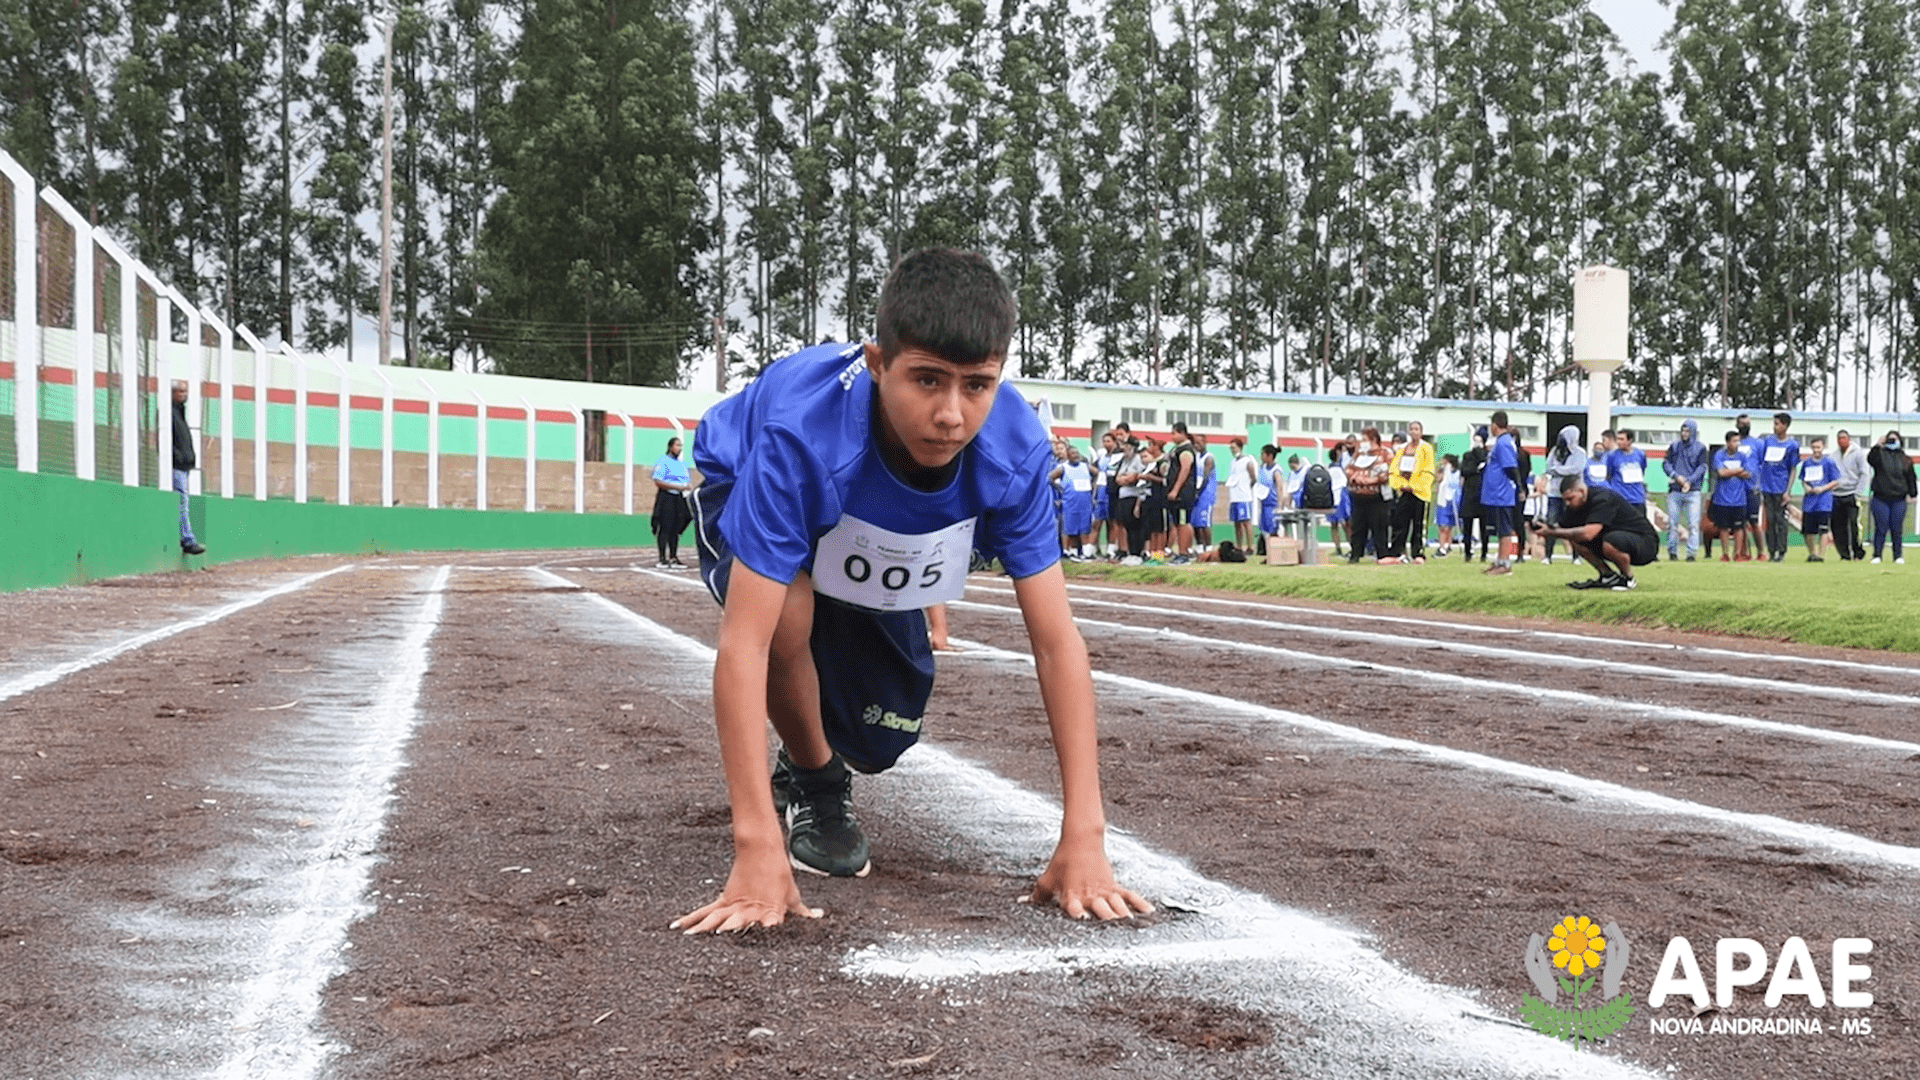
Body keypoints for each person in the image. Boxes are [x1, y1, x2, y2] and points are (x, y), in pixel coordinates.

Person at [673, 248, 1148, 933]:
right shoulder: (799, 437)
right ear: (875, 363)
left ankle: (833, 753)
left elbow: (1055, 640)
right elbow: (741, 644)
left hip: (869, 531)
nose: (951, 414)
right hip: (747, 477)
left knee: (875, 738)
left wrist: (1086, 836)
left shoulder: (1013, 450)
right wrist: (756, 850)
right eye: (927, 381)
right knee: (785, 621)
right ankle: (815, 781)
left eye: (977, 385)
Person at [1534, 475, 1660, 590]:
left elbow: (1588, 534)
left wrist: (1552, 532)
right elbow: (1561, 527)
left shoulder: (1602, 499)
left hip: (1645, 544)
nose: (1567, 503)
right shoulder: (1574, 506)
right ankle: (1608, 576)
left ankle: (1627, 579)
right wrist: (1544, 527)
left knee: (1610, 540)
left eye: (1570, 498)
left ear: (1582, 492)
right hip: (1617, 539)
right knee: (1576, 539)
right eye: (1565, 500)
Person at [1752, 412, 1801, 562]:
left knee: (1781, 521)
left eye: (1777, 424)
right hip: (1767, 488)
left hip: (1780, 488)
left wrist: (1788, 491)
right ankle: (1771, 551)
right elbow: (1761, 463)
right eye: (1774, 423)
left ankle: (1781, 551)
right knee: (1770, 520)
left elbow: (1792, 468)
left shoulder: (1792, 445)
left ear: (1785, 426)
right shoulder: (1767, 441)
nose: (1774, 427)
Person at [1865, 430, 1917, 564]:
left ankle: (1898, 556)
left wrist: (1913, 494)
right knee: (1881, 527)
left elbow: (1911, 477)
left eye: (1895, 439)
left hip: (1899, 498)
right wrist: (1877, 445)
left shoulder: (1905, 459)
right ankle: (1877, 555)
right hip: (1880, 497)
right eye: (1890, 439)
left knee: (1896, 527)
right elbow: (1870, 460)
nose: (1892, 442)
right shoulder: (1879, 455)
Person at [1386, 421, 1434, 564]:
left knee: (1418, 525)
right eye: (1411, 429)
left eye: (1416, 429)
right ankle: (1397, 552)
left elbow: (1428, 470)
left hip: (1419, 492)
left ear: (1421, 431)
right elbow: (1394, 469)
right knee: (1400, 523)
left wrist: (1415, 486)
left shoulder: (1426, 448)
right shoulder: (1402, 449)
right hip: (1404, 491)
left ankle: (1417, 552)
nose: (1414, 432)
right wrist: (1400, 485)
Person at [1344, 427, 1392, 565]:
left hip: (1377, 498)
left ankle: (1382, 555)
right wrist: (1354, 478)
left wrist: (1372, 480)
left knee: (1379, 528)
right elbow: (1348, 468)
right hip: (1358, 497)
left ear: (1374, 440)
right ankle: (1355, 555)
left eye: (1365, 439)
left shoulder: (1385, 454)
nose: (1362, 442)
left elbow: (1388, 472)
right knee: (1357, 528)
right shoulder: (1358, 455)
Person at [1481, 412, 1520, 574]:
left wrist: (1519, 487)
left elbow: (1511, 467)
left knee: (1505, 529)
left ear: (1495, 425)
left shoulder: (1504, 443)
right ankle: (1499, 560)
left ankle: (1505, 563)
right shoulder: (1500, 442)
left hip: (1501, 493)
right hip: (1495, 494)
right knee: (1499, 529)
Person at [170, 381, 207, 557]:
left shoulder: (179, 413)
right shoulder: (169, 413)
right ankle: (188, 540)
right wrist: (178, 457)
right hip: (176, 465)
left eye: (185, 391)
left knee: (183, 502)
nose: (184, 394)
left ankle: (187, 538)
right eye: (181, 391)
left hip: (183, 465)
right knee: (182, 502)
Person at [1542, 426, 1588, 564]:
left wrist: (1558, 470)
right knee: (1551, 524)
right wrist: (1558, 470)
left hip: (1572, 492)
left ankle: (1576, 557)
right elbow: (1548, 468)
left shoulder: (1579, 453)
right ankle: (1547, 556)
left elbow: (1576, 469)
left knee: (1574, 524)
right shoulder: (1554, 452)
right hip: (1555, 493)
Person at [1662, 420, 1707, 562]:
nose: (1684, 434)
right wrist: (1675, 476)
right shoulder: (1674, 446)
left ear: (1693, 432)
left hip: (1693, 491)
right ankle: (1672, 551)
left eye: (1687, 431)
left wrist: (1689, 481)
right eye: (1683, 430)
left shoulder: (1701, 448)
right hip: (1675, 490)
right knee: (1672, 523)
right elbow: (1666, 463)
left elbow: (1702, 467)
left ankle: (1691, 553)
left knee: (1693, 524)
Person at [650, 436, 695, 568]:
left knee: (676, 527)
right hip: (666, 497)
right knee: (665, 527)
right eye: (677, 445)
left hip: (679, 497)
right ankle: (662, 557)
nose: (679, 448)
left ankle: (674, 556)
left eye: (681, 446)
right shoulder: (663, 461)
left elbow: (685, 481)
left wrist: (686, 487)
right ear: (671, 447)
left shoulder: (681, 464)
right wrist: (677, 487)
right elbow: (658, 482)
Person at [1710, 430, 1754, 562]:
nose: (1737, 444)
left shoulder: (1742, 456)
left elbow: (1747, 473)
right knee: (1723, 528)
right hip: (1722, 499)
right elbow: (1721, 473)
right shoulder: (1719, 455)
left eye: (1738, 441)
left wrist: (1729, 471)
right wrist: (1737, 471)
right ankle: (1725, 554)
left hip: (1739, 499)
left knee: (1739, 528)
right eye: (1734, 441)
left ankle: (1738, 553)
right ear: (1728, 442)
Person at [1798, 437, 1840, 562]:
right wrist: (1807, 488)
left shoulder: (1829, 462)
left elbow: (1835, 481)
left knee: (1823, 529)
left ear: (1823, 447)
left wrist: (1822, 488)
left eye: (1818, 447)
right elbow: (1803, 480)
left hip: (1824, 502)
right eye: (1814, 447)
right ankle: (1812, 553)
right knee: (1807, 531)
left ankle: (1821, 555)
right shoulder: (1807, 463)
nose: (1816, 450)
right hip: (1809, 502)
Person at [1050, 443, 1096, 560]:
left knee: (1084, 527)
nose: (1075, 455)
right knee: (1070, 527)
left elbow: (1098, 474)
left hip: (1085, 501)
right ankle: (1069, 551)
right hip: (1069, 501)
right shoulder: (1063, 468)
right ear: (1068, 456)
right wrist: (1059, 488)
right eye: (1073, 454)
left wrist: (1093, 485)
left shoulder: (1085, 466)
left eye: (1077, 453)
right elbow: (1050, 478)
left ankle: (1086, 553)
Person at [1161, 424, 1199, 563]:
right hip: (1173, 492)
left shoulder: (1186, 450)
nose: (1172, 437)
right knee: (1177, 522)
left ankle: (1184, 553)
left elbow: (1185, 470)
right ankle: (1181, 552)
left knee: (1183, 522)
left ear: (1182, 433)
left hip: (1183, 493)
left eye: (1174, 434)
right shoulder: (1176, 449)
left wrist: (1176, 489)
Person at [1832, 429, 1869, 561]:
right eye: (1839, 438)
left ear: (1849, 439)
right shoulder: (1834, 455)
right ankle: (1844, 554)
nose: (1841, 441)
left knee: (1853, 524)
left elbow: (1864, 473)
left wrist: (1857, 492)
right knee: (1837, 526)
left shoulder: (1858, 453)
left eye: (1844, 438)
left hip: (1851, 493)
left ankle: (1857, 552)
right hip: (1836, 494)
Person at [1734, 414, 1764, 560]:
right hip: (1736, 489)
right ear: (1737, 425)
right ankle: (1744, 552)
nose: (1744, 426)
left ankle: (1761, 552)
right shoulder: (1734, 442)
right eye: (1742, 423)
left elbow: (1762, 463)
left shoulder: (1757, 443)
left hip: (1752, 488)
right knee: (1740, 523)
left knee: (1754, 522)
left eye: (1747, 423)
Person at [1459, 428, 1488, 561]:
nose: (1476, 443)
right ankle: (1467, 553)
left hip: (1483, 494)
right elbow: (1465, 470)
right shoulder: (1467, 456)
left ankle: (1484, 553)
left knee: (1484, 527)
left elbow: (1485, 465)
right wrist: (1476, 469)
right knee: (1467, 526)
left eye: (1479, 441)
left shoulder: (1487, 455)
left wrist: (1480, 453)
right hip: (1469, 494)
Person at [1226, 435, 1259, 553]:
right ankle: (1239, 545)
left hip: (1244, 496)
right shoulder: (1233, 462)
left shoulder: (1247, 461)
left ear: (1240, 447)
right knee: (1236, 523)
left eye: (1234, 448)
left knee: (1246, 522)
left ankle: (1251, 546)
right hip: (1234, 496)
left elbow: (1253, 477)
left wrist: (1246, 487)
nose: (1232, 450)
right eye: (1231, 448)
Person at [1607, 429, 1648, 510]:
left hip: (1637, 498)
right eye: (1617, 439)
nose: (1619, 442)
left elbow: (1642, 469)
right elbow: (1609, 474)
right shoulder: (1612, 455)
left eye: (1622, 439)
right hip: (1619, 497)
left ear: (1629, 440)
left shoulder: (1640, 454)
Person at [1190, 433, 1218, 554]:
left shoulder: (1208, 457)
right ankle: (1200, 545)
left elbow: (1205, 477)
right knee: (1195, 521)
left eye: (1200, 442)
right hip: (1195, 491)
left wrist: (1197, 491)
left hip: (1206, 493)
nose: (1198, 444)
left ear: (1205, 443)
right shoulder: (1194, 456)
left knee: (1204, 522)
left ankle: (1209, 546)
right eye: (1195, 442)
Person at [1433, 454, 1461, 557]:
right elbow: (1438, 480)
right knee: (1442, 525)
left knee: (1450, 525)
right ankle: (1441, 547)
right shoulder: (1443, 471)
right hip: (1443, 500)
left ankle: (1448, 545)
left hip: (1454, 500)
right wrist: (1441, 471)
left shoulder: (1458, 473)